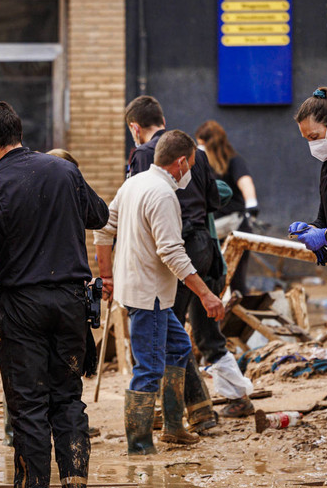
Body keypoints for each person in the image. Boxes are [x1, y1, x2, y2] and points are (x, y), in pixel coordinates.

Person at [0, 101, 108, 488]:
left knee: (30, 409)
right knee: (68, 401)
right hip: (72, 306)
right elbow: (98, 215)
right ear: (18, 131)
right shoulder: (64, 172)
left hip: (23, 309)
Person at [95, 130, 225, 455]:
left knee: (179, 347)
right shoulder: (164, 194)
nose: (190, 172)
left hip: (141, 290)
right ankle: (139, 445)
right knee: (149, 368)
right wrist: (207, 294)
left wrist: (109, 276)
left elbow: (103, 229)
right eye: (191, 165)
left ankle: (173, 428)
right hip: (149, 295)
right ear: (181, 162)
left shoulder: (133, 183)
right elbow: (172, 253)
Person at [125, 96, 235, 429]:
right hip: (203, 247)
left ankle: (165, 423)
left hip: (173, 254)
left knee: (165, 337)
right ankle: (196, 412)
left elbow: (139, 221)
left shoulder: (143, 157)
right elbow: (216, 199)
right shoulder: (198, 155)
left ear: (135, 128)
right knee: (187, 334)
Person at [195, 120, 259, 296]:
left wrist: (252, 205)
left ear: (209, 144)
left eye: (201, 145)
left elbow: (246, 183)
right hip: (214, 231)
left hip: (234, 227)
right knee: (215, 281)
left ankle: (238, 321)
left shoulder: (233, 161)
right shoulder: (203, 164)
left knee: (236, 281)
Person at [290, 87, 327, 266]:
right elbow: (324, 218)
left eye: (315, 137)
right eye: (308, 139)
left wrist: (325, 236)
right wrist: (310, 228)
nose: (313, 145)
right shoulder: (326, 167)